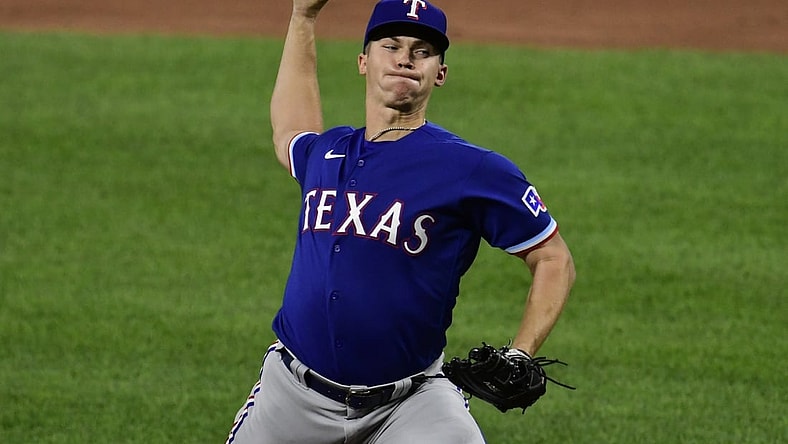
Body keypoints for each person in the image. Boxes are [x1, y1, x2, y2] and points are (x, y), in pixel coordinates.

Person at [225, 0, 575, 442]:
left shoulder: (471, 168)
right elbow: (288, 131)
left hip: (411, 404)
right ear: (363, 61)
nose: (405, 57)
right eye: (390, 45)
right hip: (293, 394)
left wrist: (520, 353)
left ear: (440, 73)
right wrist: (303, 17)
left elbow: (553, 258)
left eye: (422, 50)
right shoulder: (328, 154)